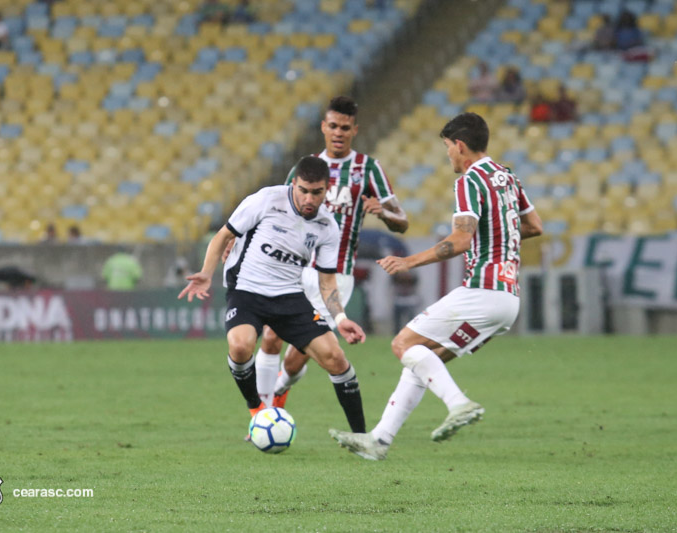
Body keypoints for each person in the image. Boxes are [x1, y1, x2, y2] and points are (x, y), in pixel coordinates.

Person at [330, 112, 543, 460]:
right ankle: (379, 440)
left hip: (483, 290)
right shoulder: (507, 177)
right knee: (422, 360)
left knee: (403, 344)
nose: (448, 156)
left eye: (447, 148)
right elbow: (533, 225)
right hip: (508, 298)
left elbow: (460, 239)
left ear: (460, 145)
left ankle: (459, 404)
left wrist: (408, 261)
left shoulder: (469, 181)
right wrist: (498, 236)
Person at [178, 156, 369, 435]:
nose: (309, 199)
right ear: (294, 184)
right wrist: (206, 272)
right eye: (303, 190)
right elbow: (223, 235)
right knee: (241, 346)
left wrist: (340, 317)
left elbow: (327, 280)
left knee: (335, 358)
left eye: (316, 192)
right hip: (247, 291)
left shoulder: (327, 226)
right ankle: (257, 409)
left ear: (326, 190)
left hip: (290, 297)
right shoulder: (267, 200)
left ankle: (363, 438)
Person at [253, 96, 408, 409]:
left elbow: (402, 222)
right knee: (270, 336)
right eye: (333, 126)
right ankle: (262, 412)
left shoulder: (368, 169)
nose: (339, 132)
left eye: (345, 128)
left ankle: (277, 393)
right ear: (324, 127)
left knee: (298, 359)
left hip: (336, 277)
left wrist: (385, 214)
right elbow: (277, 209)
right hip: (295, 270)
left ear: (354, 130)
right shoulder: (306, 167)